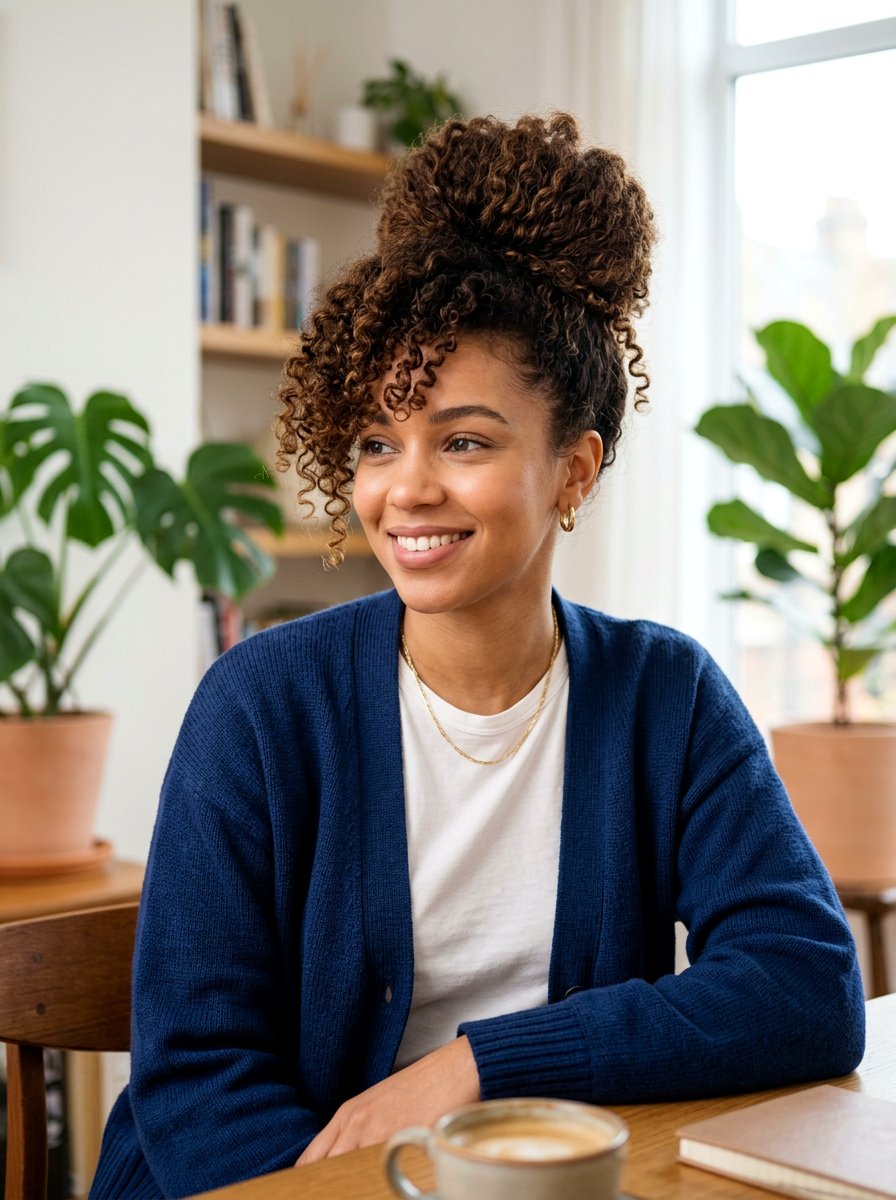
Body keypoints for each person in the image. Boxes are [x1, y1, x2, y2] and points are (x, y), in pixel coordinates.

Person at [91, 112, 864, 1200]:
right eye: (376, 443)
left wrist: (482, 1065)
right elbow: (196, 1080)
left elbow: (804, 985)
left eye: (463, 440)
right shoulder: (261, 704)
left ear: (573, 470)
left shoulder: (665, 696)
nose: (405, 490)